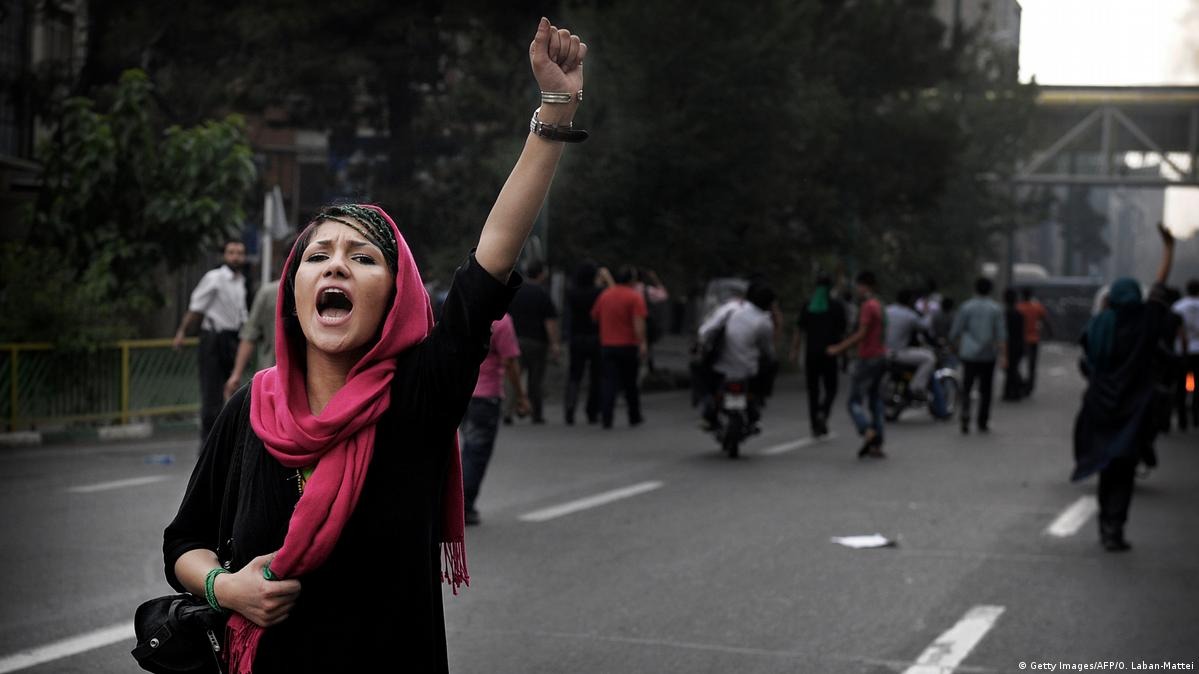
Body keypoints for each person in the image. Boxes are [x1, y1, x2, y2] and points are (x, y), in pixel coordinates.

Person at [162, 18, 587, 672]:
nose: (335, 266)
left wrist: (555, 108)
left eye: (362, 258)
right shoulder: (254, 406)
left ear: (394, 296)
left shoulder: (417, 395)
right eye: (317, 255)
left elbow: (490, 262)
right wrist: (227, 588)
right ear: (294, 284)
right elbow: (185, 543)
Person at [1073, 223, 1175, 552]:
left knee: (1106, 467)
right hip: (1133, 411)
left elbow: (1087, 361)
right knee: (1125, 470)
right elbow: (1160, 289)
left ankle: (1105, 523)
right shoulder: (1145, 324)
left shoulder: (1099, 326)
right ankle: (1114, 528)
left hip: (1100, 407)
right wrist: (1169, 250)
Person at [174, 239, 250, 443]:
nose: (236, 256)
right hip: (213, 339)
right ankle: (207, 445)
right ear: (224, 255)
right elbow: (196, 307)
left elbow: (241, 315)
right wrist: (182, 332)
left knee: (233, 391)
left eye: (240, 253)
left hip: (232, 340)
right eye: (232, 252)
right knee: (211, 395)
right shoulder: (214, 278)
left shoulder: (240, 280)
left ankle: (228, 443)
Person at [462, 314, 530, 526]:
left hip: (460, 392)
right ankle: (465, 506)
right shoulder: (501, 321)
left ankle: (453, 503)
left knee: (464, 450)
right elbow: (510, 362)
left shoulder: (463, 307)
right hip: (485, 395)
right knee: (476, 453)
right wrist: (521, 395)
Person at [697, 282, 776, 430]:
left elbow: (705, 331)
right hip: (748, 370)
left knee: (703, 380)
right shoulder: (765, 322)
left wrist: (702, 348)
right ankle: (757, 405)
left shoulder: (730, 309)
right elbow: (767, 350)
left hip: (720, 366)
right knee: (767, 372)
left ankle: (707, 411)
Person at [828, 271, 887, 459]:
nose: (857, 290)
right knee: (875, 400)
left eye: (858, 286)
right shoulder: (880, 305)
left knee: (853, 401)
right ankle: (876, 445)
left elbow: (861, 334)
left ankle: (867, 431)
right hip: (881, 356)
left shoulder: (868, 306)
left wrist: (839, 348)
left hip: (868, 357)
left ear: (864, 285)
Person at [592, 265, 648, 428]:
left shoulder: (605, 295)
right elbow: (639, 323)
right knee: (630, 383)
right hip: (628, 345)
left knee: (609, 382)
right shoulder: (634, 297)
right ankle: (634, 415)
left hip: (608, 344)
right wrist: (643, 343)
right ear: (632, 280)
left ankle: (606, 417)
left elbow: (595, 316)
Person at [505, 259, 560, 424]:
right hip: (537, 342)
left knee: (513, 375)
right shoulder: (543, 293)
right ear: (541, 274)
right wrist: (554, 344)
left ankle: (508, 412)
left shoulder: (515, 291)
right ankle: (536, 413)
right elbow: (549, 322)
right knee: (536, 380)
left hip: (515, 340)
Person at [792, 276, 847, 437]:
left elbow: (799, 330)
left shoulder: (807, 305)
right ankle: (823, 411)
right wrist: (843, 353)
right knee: (831, 387)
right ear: (830, 288)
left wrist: (794, 351)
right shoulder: (837, 306)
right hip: (831, 352)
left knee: (813, 390)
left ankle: (815, 425)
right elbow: (843, 331)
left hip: (811, 353)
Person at [950, 278, 1006, 434]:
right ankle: (983, 420)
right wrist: (1003, 356)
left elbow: (956, 330)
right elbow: (1001, 334)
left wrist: (953, 344)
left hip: (969, 354)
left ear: (975, 289)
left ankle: (965, 414)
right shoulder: (996, 309)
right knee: (986, 390)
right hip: (988, 354)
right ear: (990, 290)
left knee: (967, 386)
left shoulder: (966, 307)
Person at [563, 262, 612, 425]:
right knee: (596, 376)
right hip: (596, 337)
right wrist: (606, 278)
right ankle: (592, 411)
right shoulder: (599, 293)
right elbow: (614, 294)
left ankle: (570, 409)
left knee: (574, 375)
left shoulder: (571, 293)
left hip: (576, 337)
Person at [885, 288, 944, 413]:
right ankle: (916, 387)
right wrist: (928, 313)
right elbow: (925, 326)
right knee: (930, 358)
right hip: (899, 352)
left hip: (884, 351)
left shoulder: (887, 310)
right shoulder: (910, 315)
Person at [225, 280, 281, 400]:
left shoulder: (268, 292)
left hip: (271, 377)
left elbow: (249, 336)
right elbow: (249, 335)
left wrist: (236, 375)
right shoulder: (270, 293)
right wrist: (236, 375)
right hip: (277, 376)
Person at [1171, 279, 1199, 431]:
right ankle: (1196, 417)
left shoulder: (1178, 307)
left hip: (1182, 351)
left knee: (1181, 385)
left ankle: (1182, 420)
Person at [1016, 288, 1051, 395]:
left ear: (1022, 296)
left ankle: (1020, 383)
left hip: (1020, 340)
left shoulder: (1018, 307)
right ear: (1031, 296)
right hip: (1033, 340)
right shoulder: (1037, 307)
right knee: (1032, 366)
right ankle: (1030, 387)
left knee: (1015, 364)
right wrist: (1050, 333)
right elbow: (1046, 321)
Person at [1001, 288, 1026, 402]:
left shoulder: (1004, 314)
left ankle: (1013, 391)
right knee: (1013, 368)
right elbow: (1021, 332)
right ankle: (1013, 391)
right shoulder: (1019, 314)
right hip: (1018, 345)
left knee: (1010, 369)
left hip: (1008, 345)